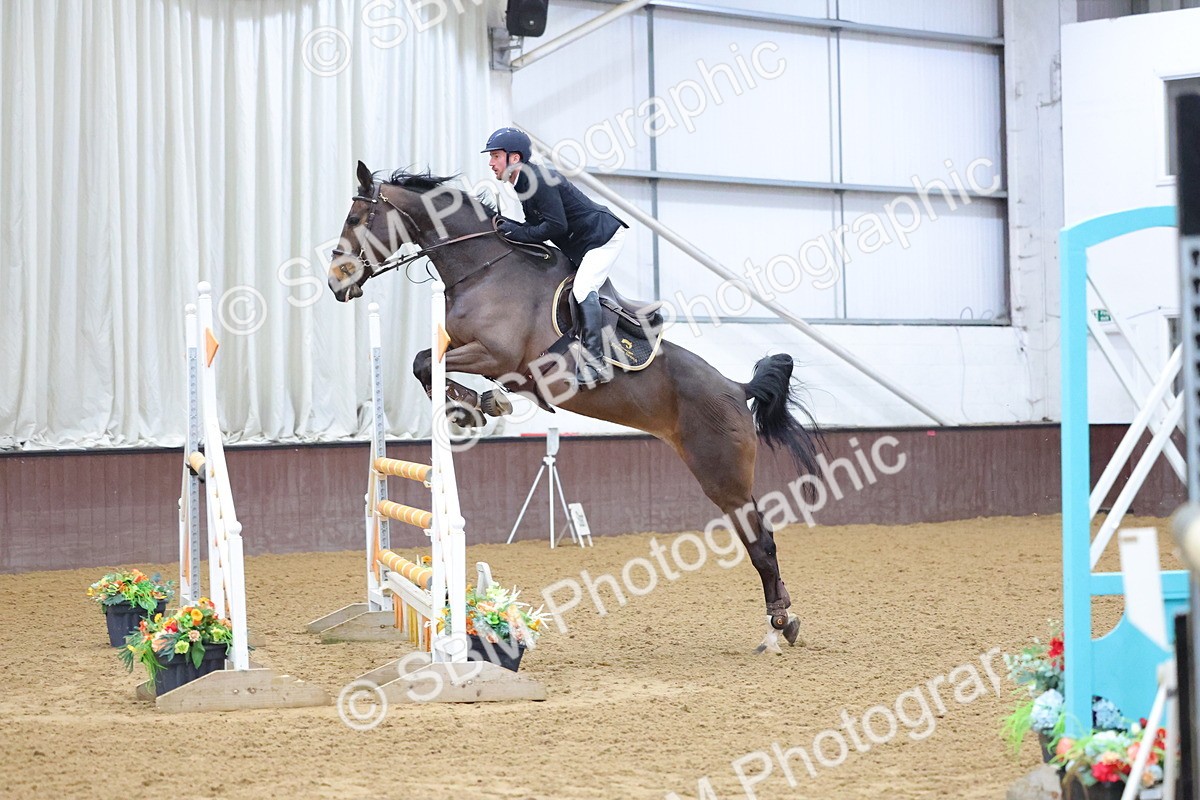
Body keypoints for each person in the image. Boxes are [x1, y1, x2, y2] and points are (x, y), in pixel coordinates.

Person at [481, 127, 628, 386]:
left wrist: (518, 231)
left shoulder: (538, 180)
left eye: (495, 156)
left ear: (514, 158)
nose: (491, 163)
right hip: (581, 243)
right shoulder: (523, 182)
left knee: (583, 289)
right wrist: (511, 227)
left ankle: (595, 363)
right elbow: (535, 223)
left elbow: (555, 226)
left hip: (602, 238)